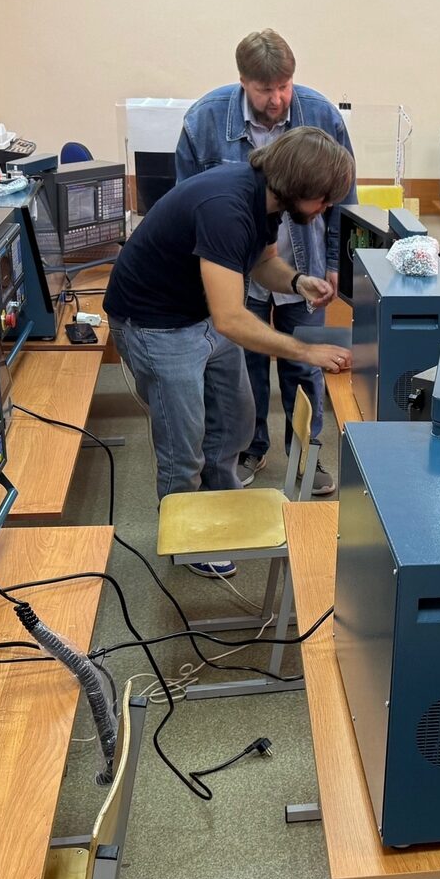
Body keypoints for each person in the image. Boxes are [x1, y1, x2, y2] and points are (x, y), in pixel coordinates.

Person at [106, 128, 354, 575]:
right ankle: (186, 537)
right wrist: (305, 351)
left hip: (197, 312)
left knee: (236, 418)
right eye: (322, 199)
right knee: (183, 444)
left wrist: (296, 281)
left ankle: (218, 500)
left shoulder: (267, 198)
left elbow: (262, 261)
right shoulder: (226, 207)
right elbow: (231, 319)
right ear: (298, 186)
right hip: (155, 325)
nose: (326, 208)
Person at [175, 29, 356, 496]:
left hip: (301, 265)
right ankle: (251, 449)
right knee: (245, 364)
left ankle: (307, 453)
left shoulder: (321, 114)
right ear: (242, 82)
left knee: (305, 366)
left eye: (284, 87)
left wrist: (332, 261)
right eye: (264, 90)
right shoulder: (203, 120)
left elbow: (343, 200)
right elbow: (187, 205)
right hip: (237, 267)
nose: (276, 99)